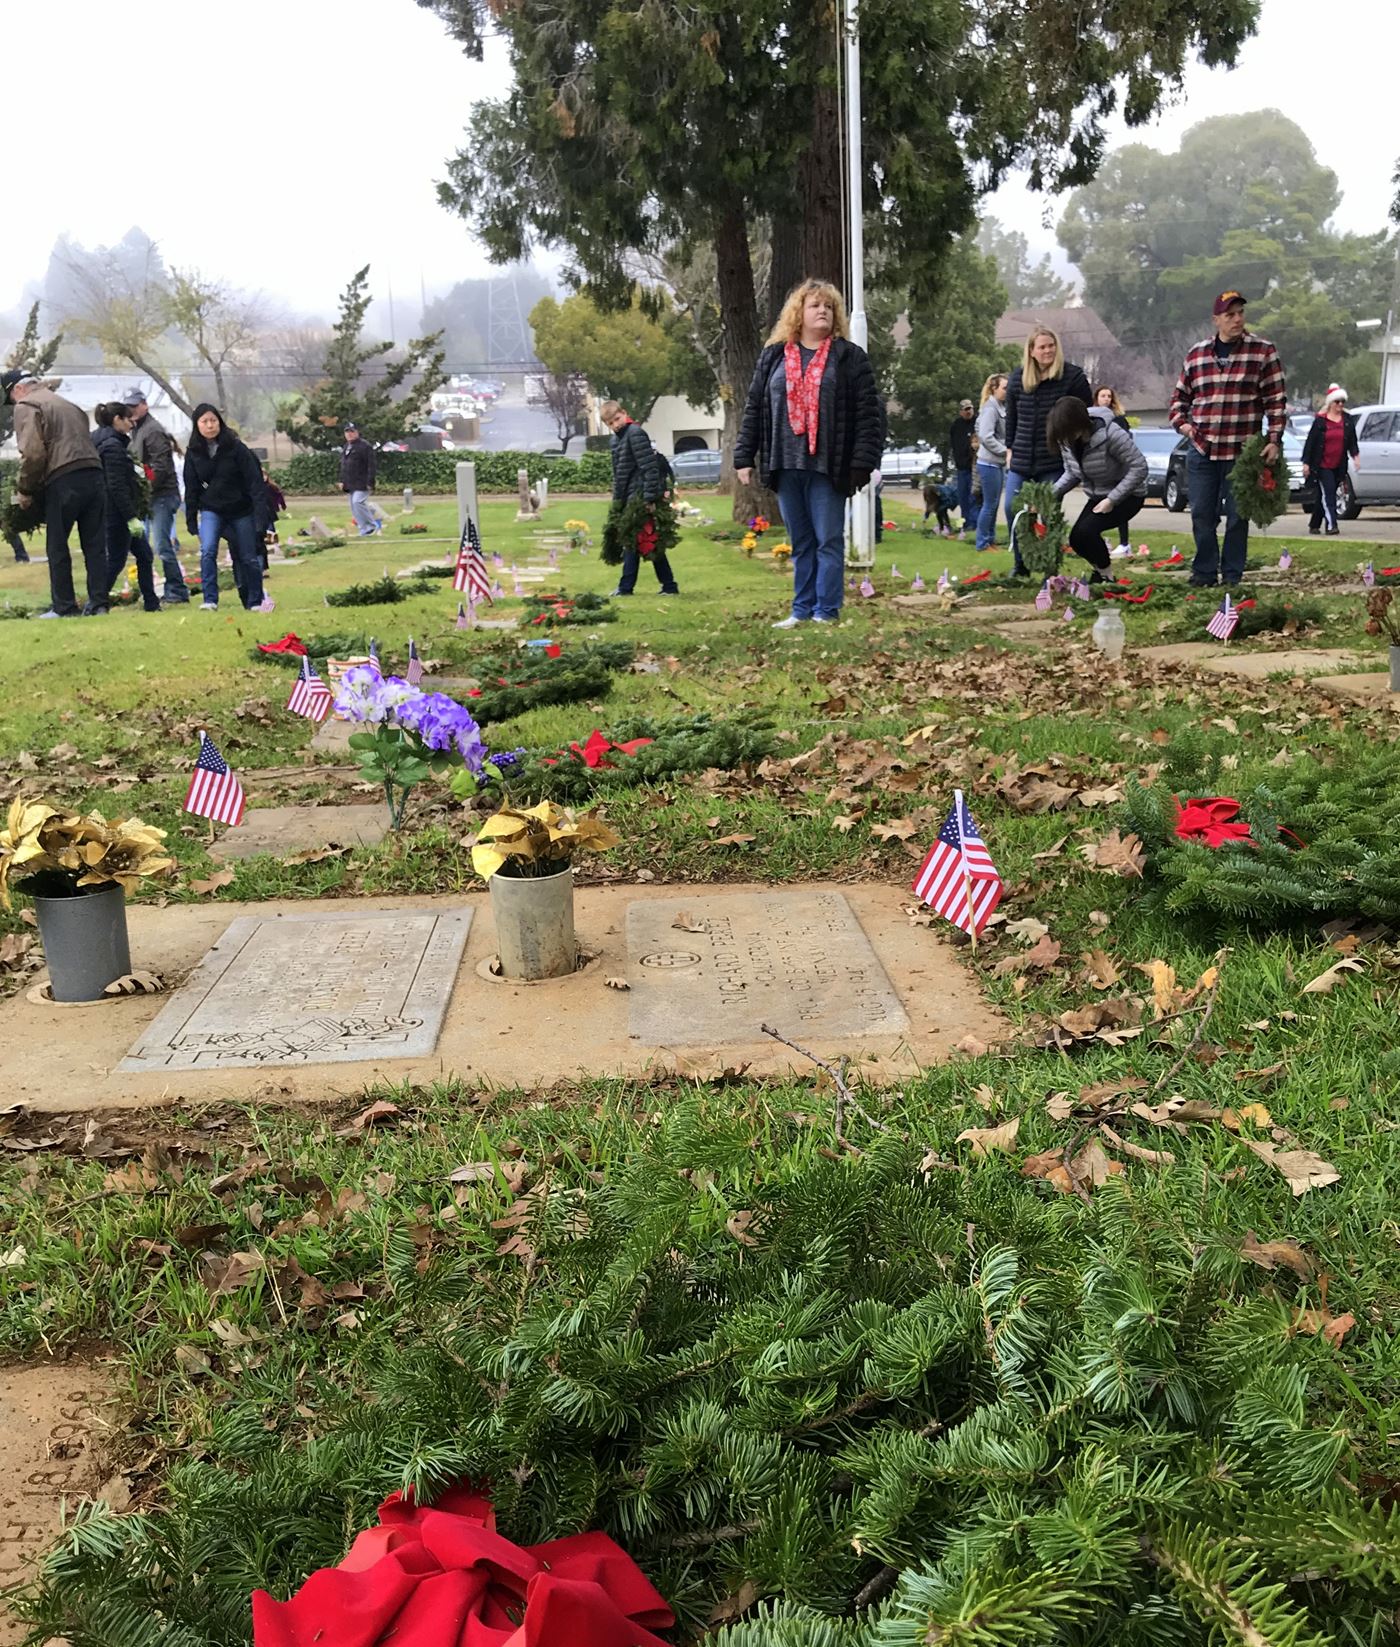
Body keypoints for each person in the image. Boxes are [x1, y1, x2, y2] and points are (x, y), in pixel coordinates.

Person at [733, 278, 884, 629]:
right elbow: (754, 406)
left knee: (828, 540)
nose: (823, 312)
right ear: (798, 313)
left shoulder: (848, 357)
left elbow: (868, 415)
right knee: (801, 541)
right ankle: (801, 610)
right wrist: (744, 456)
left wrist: (862, 463)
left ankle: (826, 612)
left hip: (828, 466)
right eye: (815, 305)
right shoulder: (773, 356)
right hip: (785, 464)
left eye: (829, 307)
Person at [1169, 290, 1286, 588]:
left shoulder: (1262, 352)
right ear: (1216, 320)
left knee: (1237, 517)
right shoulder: (1197, 354)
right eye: (1230, 315)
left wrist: (1273, 439)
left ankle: (1232, 575)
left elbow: (1275, 401)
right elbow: (1178, 401)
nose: (1237, 319)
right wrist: (1185, 428)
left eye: (1240, 313)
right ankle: (1205, 572)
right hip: (1203, 450)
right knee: (1202, 515)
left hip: (1242, 453)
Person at [3, 369, 107, 618]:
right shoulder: (70, 405)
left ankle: (64, 606)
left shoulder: (26, 405)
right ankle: (99, 604)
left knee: (57, 545)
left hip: (64, 478)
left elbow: (33, 453)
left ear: (17, 389)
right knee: (94, 545)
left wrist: (25, 489)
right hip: (94, 473)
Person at [1004, 328, 1092, 574]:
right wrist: (1009, 448)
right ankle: (1021, 563)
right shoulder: (1017, 378)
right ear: (1031, 351)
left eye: (1051, 345)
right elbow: (1011, 417)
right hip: (1021, 458)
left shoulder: (1072, 377)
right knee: (1013, 508)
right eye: (1042, 347)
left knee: (1048, 514)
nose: (1047, 351)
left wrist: (1075, 451)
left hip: (1054, 460)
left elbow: (1085, 416)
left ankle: (1050, 567)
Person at [1046, 397, 1148, 581]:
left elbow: (1139, 467)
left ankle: (1107, 577)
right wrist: (1047, 495)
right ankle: (1100, 571)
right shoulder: (1067, 441)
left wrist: (1112, 500)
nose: (1065, 439)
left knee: (1087, 532)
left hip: (1128, 495)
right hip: (1098, 495)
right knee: (1076, 539)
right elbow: (1072, 473)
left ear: (1080, 424)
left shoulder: (1112, 434)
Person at [183, 403, 269, 611]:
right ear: (197, 425)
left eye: (213, 420)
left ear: (219, 423)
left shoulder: (236, 448)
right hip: (212, 509)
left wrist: (260, 519)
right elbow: (191, 487)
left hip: (241, 509)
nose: (210, 425)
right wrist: (191, 518)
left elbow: (254, 482)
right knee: (208, 550)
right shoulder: (193, 452)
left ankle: (255, 601)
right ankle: (210, 599)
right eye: (204, 421)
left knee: (248, 556)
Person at [601, 399, 679, 596]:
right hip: (628, 496)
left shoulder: (635, 433)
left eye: (617, 419)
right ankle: (668, 586)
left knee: (635, 540)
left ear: (624, 413)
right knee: (646, 540)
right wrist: (617, 501)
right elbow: (618, 474)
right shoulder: (616, 440)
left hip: (640, 495)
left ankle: (627, 587)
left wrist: (649, 498)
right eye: (610, 423)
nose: (616, 424)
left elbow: (649, 468)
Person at [122, 388, 190, 604]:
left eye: (135, 405)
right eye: (128, 407)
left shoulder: (152, 431)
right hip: (153, 495)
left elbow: (160, 468)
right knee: (150, 545)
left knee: (161, 544)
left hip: (162, 495)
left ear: (145, 405)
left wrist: (145, 490)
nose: (131, 410)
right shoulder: (138, 430)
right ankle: (161, 589)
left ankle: (177, 590)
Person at [92, 403, 160, 613]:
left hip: (117, 511)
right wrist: (130, 516)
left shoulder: (104, 441)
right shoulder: (112, 447)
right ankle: (96, 603)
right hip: (117, 513)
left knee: (144, 555)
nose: (132, 423)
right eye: (128, 419)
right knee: (116, 560)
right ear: (117, 420)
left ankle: (151, 603)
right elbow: (116, 485)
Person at [1301, 384, 1358, 536]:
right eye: (1337, 401)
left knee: (1324, 495)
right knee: (1329, 494)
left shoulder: (1347, 420)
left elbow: (1352, 441)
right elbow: (1310, 443)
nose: (1340, 405)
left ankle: (1314, 524)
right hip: (1322, 465)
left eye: (1342, 402)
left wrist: (1356, 456)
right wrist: (1306, 463)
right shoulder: (1320, 421)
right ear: (1330, 403)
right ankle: (1332, 525)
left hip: (1338, 465)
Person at [1093, 386, 1134, 548]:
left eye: (1109, 396)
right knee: (1096, 502)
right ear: (1096, 398)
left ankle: (1124, 542)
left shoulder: (1119, 420)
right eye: (1103, 396)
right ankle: (1098, 540)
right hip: (1098, 466)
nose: (1106, 399)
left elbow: (1126, 442)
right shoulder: (1091, 418)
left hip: (1116, 466)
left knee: (1118, 503)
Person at [974, 374, 1009, 551]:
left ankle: (990, 540)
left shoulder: (1000, 407)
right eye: (1004, 387)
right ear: (994, 388)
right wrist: (1005, 451)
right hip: (989, 462)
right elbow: (986, 436)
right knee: (989, 504)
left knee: (993, 504)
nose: (1007, 391)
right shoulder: (990, 408)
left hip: (996, 463)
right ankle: (982, 542)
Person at [338, 423, 380, 537]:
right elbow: (344, 465)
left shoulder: (364, 446)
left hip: (362, 482)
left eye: (352, 431)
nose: (349, 434)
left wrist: (370, 482)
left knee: (357, 502)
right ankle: (364, 529)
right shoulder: (346, 446)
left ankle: (371, 526)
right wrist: (342, 480)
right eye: (347, 432)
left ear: (357, 432)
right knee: (353, 506)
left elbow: (371, 465)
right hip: (350, 482)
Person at [947, 398, 977, 541]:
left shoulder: (977, 423)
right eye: (965, 409)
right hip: (961, 467)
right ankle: (964, 522)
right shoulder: (956, 426)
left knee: (974, 496)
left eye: (970, 408)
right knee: (963, 496)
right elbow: (954, 445)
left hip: (974, 466)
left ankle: (974, 523)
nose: (968, 411)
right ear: (961, 411)